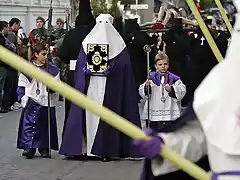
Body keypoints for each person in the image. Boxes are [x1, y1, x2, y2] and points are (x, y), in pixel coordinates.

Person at [59, 14, 142, 162]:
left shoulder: (119, 45)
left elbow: (124, 68)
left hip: (109, 88)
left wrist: (111, 70)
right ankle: (89, 149)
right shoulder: (89, 43)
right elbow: (80, 65)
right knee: (89, 116)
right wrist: (85, 70)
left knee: (105, 117)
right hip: (90, 87)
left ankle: (104, 150)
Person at [58, 0, 95, 134]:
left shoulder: (71, 34)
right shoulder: (96, 33)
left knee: (73, 107)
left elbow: (62, 54)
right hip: (93, 75)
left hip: (74, 73)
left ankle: (72, 141)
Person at [16, 43, 59, 159]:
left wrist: (53, 88)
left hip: (45, 100)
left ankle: (44, 147)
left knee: (45, 126)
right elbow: (22, 84)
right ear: (36, 54)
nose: (45, 57)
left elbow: (57, 85)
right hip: (32, 99)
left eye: (46, 54)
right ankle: (29, 147)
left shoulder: (52, 69)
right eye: (43, 54)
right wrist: (22, 96)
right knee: (30, 124)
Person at [139, 52, 186, 131]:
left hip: (170, 114)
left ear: (168, 64)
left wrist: (172, 89)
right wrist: (147, 87)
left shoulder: (174, 79)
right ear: (155, 66)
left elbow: (182, 90)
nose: (163, 66)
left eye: (165, 64)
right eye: (160, 64)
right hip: (155, 114)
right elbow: (142, 91)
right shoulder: (151, 78)